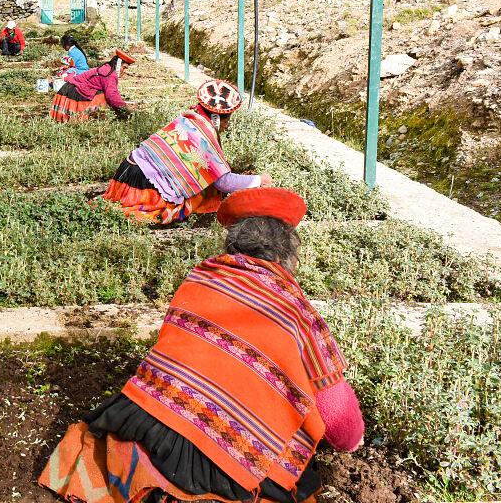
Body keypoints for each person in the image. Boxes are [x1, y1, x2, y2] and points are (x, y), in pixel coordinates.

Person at [41, 187, 364, 503]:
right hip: (229, 459)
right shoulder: (295, 310)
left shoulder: (200, 278)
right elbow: (336, 410)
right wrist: (351, 440)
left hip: (153, 421)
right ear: (287, 255)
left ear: (233, 245)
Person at [102, 79, 271, 224]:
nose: (227, 127)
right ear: (217, 119)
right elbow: (222, 182)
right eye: (227, 121)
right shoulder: (203, 136)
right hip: (143, 186)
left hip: (126, 172)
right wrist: (258, 180)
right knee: (197, 197)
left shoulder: (189, 117)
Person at [49, 49, 136, 122]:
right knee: (102, 96)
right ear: (117, 65)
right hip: (73, 91)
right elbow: (112, 96)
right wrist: (125, 108)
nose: (124, 71)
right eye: (124, 67)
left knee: (102, 94)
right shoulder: (109, 74)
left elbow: (114, 92)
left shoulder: (108, 69)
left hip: (72, 88)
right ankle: (87, 117)